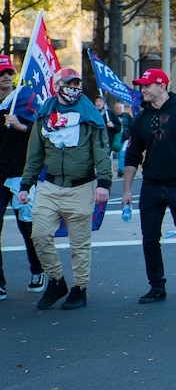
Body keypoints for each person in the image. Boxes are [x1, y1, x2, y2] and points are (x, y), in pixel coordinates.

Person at [18, 68, 112, 310]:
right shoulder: (45, 113)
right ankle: (57, 280)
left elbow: (101, 150)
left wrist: (104, 183)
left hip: (81, 187)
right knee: (39, 235)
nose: (73, 87)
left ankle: (79, 289)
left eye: (76, 83)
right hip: (49, 185)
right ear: (57, 85)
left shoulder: (90, 114)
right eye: (68, 83)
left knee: (79, 243)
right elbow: (35, 153)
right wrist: (26, 184)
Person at [121, 68, 176, 304]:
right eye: (142, 85)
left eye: (148, 85)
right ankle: (157, 285)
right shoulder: (140, 119)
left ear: (162, 86)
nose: (143, 89)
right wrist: (127, 190)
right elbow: (132, 156)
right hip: (151, 185)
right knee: (149, 238)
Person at [0, 55, 45, 300]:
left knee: (27, 226)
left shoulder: (23, 98)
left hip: (20, 175)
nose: (6, 76)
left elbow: (38, 132)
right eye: (1, 73)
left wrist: (20, 126)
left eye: (9, 72)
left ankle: (38, 269)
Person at [113, 102, 133, 177]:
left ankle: (121, 170)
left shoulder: (126, 116)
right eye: (117, 108)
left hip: (125, 137)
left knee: (122, 154)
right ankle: (121, 168)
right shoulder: (113, 116)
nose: (119, 110)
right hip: (116, 138)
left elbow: (132, 125)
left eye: (120, 108)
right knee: (119, 154)